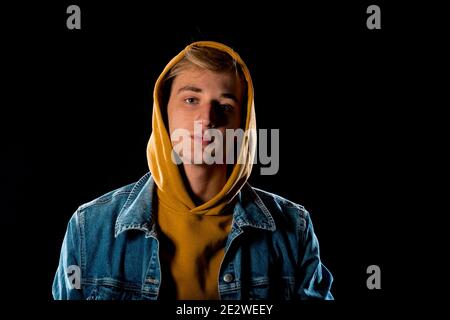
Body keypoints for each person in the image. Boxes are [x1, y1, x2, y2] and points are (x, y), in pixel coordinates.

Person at [52, 41, 333, 300]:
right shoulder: (89, 227)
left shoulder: (293, 229)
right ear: (163, 112)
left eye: (225, 105)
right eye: (191, 99)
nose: (207, 118)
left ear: (243, 123)